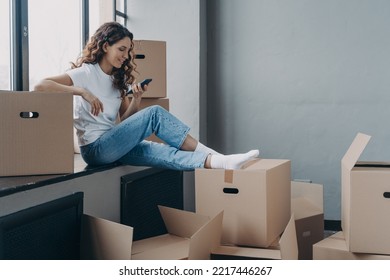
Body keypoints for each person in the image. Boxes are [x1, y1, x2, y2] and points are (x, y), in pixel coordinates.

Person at [34, 22, 259, 171]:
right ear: (105, 46)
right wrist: (82, 91)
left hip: (113, 143)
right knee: (155, 114)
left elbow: (124, 121)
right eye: (121, 49)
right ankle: (213, 153)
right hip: (95, 150)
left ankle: (219, 162)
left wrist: (136, 100)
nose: (126, 56)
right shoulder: (85, 73)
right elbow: (40, 86)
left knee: (161, 151)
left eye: (128, 50)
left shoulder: (115, 80)